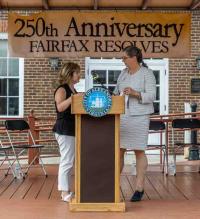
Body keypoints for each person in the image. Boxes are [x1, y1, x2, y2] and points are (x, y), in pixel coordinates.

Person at [113, 46, 156, 202]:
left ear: (134, 57)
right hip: (123, 116)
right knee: (119, 150)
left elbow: (152, 96)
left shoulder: (147, 73)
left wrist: (135, 93)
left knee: (139, 151)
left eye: (124, 57)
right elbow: (117, 93)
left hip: (140, 116)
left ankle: (139, 188)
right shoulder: (123, 73)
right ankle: (113, 184)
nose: (123, 60)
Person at [53, 62, 81, 202]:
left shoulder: (73, 89)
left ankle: (67, 190)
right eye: (77, 72)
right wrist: (73, 98)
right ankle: (64, 193)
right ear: (70, 73)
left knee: (70, 161)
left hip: (73, 129)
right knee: (67, 161)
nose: (79, 75)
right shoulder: (62, 89)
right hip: (64, 129)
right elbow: (60, 108)